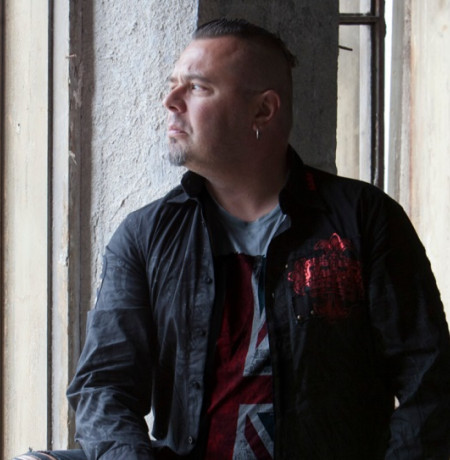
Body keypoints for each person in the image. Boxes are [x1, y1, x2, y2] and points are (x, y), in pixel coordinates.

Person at [16, 18, 450, 460]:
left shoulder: (364, 220)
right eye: (172, 85)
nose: (170, 101)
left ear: (263, 111)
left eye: (197, 87)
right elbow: (103, 388)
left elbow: (430, 387)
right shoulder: (145, 236)